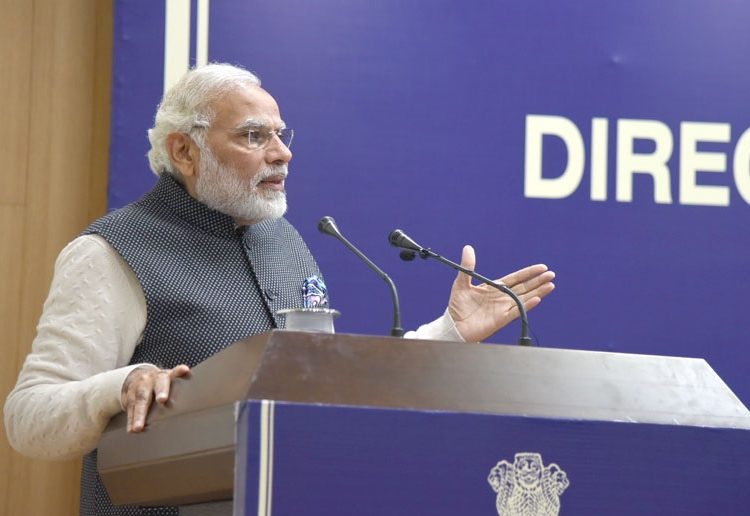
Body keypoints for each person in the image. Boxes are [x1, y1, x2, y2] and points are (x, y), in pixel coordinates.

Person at [4, 63, 555, 515]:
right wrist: (120, 385)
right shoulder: (112, 252)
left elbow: (334, 388)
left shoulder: (285, 241)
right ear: (184, 152)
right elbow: (29, 419)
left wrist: (450, 333)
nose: (281, 152)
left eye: (279, 134)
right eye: (252, 136)